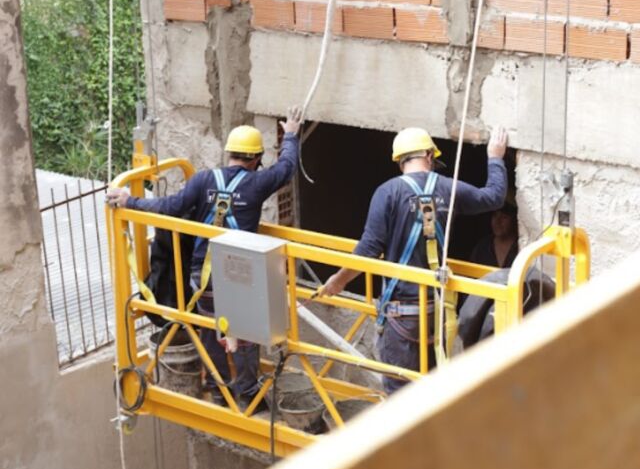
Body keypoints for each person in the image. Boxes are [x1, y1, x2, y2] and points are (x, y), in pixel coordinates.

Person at [106, 108, 302, 408]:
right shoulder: (257, 184)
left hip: (203, 277)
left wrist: (129, 200)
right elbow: (287, 167)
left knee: (210, 330)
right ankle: (248, 392)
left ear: (229, 155)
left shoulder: (202, 180)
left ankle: (218, 387)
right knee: (244, 332)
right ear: (255, 159)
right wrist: (290, 134)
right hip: (240, 275)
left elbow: (170, 207)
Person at [319, 126, 508, 394]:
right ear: (430, 155)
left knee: (400, 395)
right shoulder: (448, 188)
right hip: (436, 310)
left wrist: (338, 280)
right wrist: (495, 157)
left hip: (401, 316)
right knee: (429, 391)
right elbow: (494, 197)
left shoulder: (388, 192)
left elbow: (369, 250)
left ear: (400, 161)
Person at [469, 203, 519, 269]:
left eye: (504, 217)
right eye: (495, 215)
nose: (497, 221)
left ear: (515, 220)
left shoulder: (522, 247)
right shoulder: (483, 247)